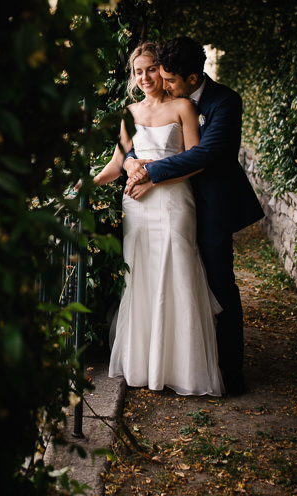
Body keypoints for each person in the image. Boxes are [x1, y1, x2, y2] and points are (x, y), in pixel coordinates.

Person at [124, 36, 264, 396]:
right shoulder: (173, 100)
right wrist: (129, 162)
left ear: (191, 77)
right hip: (171, 204)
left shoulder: (225, 101)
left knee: (219, 287)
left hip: (211, 207)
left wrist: (149, 171)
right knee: (179, 283)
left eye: (169, 80)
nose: (163, 84)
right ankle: (179, 358)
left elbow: (207, 154)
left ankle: (230, 372)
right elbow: (127, 148)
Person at [91, 41, 224, 397]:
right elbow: (118, 163)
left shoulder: (183, 107)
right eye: (138, 71)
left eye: (151, 69)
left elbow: (195, 160)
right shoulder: (129, 113)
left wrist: (153, 177)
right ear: (133, 78)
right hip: (136, 205)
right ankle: (143, 364)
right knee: (141, 275)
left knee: (177, 268)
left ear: (162, 71)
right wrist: (84, 185)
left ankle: (182, 368)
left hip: (173, 202)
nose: (146, 76)